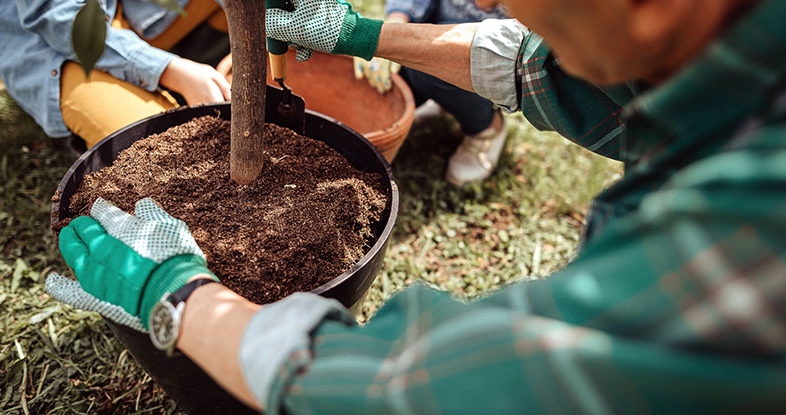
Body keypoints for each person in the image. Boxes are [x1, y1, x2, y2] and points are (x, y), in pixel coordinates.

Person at [46, 0, 786, 413]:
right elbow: (559, 68)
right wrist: (368, 34)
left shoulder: (752, 223)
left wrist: (178, 296)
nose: (498, 1)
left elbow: (427, 391)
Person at [0, 0, 231, 151]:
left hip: (139, 8)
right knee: (155, 147)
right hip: (60, 43)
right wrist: (172, 72)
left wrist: (254, 35)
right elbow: (62, 20)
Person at [354, 0, 508, 186]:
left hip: (486, 71)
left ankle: (487, 127)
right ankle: (439, 99)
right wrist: (396, 23)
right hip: (430, 46)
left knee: (431, 68)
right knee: (392, 76)